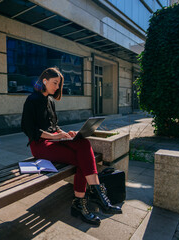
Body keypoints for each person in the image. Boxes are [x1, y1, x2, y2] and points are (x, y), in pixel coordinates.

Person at [21, 67, 122, 226]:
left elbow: (54, 126)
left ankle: (85, 201)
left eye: (58, 84)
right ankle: (90, 199)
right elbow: (28, 129)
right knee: (84, 158)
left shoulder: (50, 101)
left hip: (54, 141)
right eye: (55, 83)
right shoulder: (32, 100)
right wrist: (54, 136)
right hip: (40, 145)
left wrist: (65, 133)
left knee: (82, 143)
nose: (57, 87)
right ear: (45, 81)